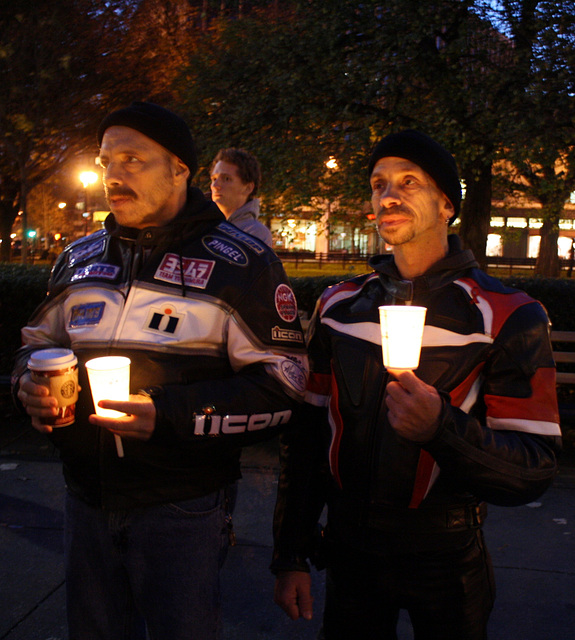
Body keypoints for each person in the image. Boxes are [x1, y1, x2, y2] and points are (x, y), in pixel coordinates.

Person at [12, 101, 308, 640]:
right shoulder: (78, 258)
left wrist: (167, 415)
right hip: (85, 501)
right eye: (105, 162)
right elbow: (33, 347)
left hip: (182, 511)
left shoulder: (241, 264)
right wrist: (26, 386)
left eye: (132, 159)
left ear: (180, 169)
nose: (114, 175)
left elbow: (285, 389)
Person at [271, 129, 562, 639]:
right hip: (350, 557)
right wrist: (290, 553)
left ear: (447, 203)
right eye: (379, 183)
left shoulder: (507, 314)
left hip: (446, 563)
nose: (389, 195)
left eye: (409, 182)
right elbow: (307, 437)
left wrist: (441, 428)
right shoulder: (339, 306)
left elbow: (533, 468)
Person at [209, 147, 273, 246]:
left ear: (248, 188)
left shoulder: (256, 233)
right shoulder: (200, 225)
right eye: (214, 179)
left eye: (226, 179)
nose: (215, 186)